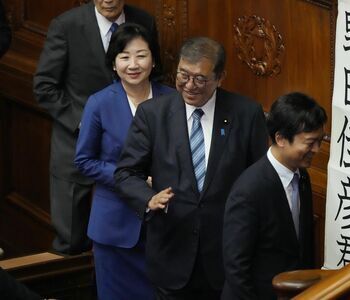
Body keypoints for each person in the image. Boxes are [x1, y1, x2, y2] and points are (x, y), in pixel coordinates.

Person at [114, 36, 268, 299]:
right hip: (171, 252)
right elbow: (126, 173)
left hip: (226, 257)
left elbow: (260, 179)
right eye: (183, 75)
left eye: (200, 79)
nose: (189, 85)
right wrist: (149, 198)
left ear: (220, 77)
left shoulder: (247, 113)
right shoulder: (153, 114)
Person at [33, 0, 161, 255]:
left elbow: (155, 78)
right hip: (76, 143)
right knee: (70, 240)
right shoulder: (65, 25)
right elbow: (44, 86)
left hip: (131, 149)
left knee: (131, 238)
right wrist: (86, 122)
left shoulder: (144, 20)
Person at [74, 23, 172, 300]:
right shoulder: (99, 103)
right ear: (113, 63)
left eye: (141, 55)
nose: (133, 64)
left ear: (153, 59)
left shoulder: (172, 100)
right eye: (124, 56)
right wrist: (131, 180)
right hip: (114, 228)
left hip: (165, 228)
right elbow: (84, 160)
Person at [221, 92, 327, 300]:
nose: (317, 149)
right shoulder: (249, 191)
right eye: (310, 142)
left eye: (320, 141)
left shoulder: (302, 176)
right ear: (280, 139)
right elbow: (236, 268)